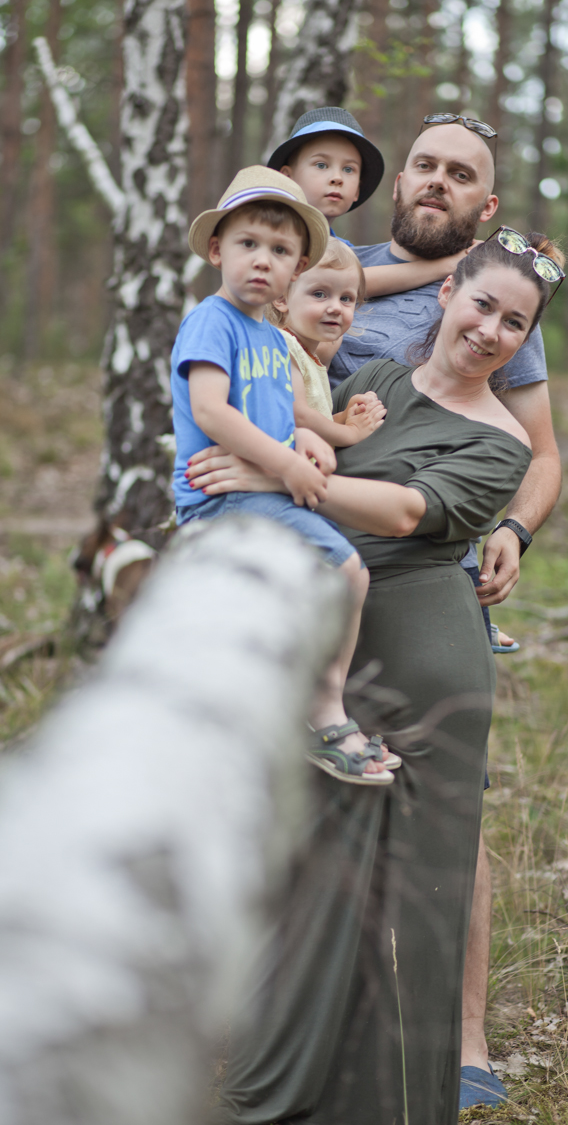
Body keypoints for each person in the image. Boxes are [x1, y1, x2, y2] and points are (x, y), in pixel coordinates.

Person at [188, 227, 566, 1125]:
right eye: (482, 304)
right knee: (316, 873)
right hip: (337, 644)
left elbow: (405, 510)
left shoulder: (504, 441)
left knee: (416, 891)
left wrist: (275, 477)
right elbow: (297, 427)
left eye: (515, 323)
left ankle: (398, 1102)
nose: (490, 330)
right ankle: (289, 1093)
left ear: (525, 340)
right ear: (445, 297)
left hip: (428, 666)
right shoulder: (373, 383)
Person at [327, 114, 564, 1105]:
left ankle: (460, 1040)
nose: (435, 181)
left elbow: (542, 453)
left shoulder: (497, 300)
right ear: (401, 180)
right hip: (329, 564)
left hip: (430, 567)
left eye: (459, 173)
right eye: (424, 164)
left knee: (442, 815)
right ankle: (324, 1030)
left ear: (484, 205)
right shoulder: (340, 269)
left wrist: (514, 530)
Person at [172, 165, 394, 785]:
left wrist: (314, 437)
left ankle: (292, 704)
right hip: (220, 499)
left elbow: (282, 406)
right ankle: (324, 710)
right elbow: (212, 408)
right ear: (218, 249)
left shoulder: (268, 339)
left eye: (280, 251)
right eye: (248, 245)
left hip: (263, 491)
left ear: (296, 270)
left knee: (332, 579)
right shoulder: (212, 322)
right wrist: (288, 463)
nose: (262, 261)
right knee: (347, 569)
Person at [268, 107, 480, 297]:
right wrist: (449, 264)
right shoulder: (269, 229)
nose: (337, 178)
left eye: (349, 169)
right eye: (321, 165)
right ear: (287, 177)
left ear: (357, 190)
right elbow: (345, 283)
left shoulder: (348, 253)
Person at [268, 238, 388, 447]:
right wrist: (351, 432)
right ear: (282, 298)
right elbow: (297, 416)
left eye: (346, 298)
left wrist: (343, 418)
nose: (335, 308)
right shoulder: (282, 344)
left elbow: (309, 426)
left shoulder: (308, 355)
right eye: (319, 294)